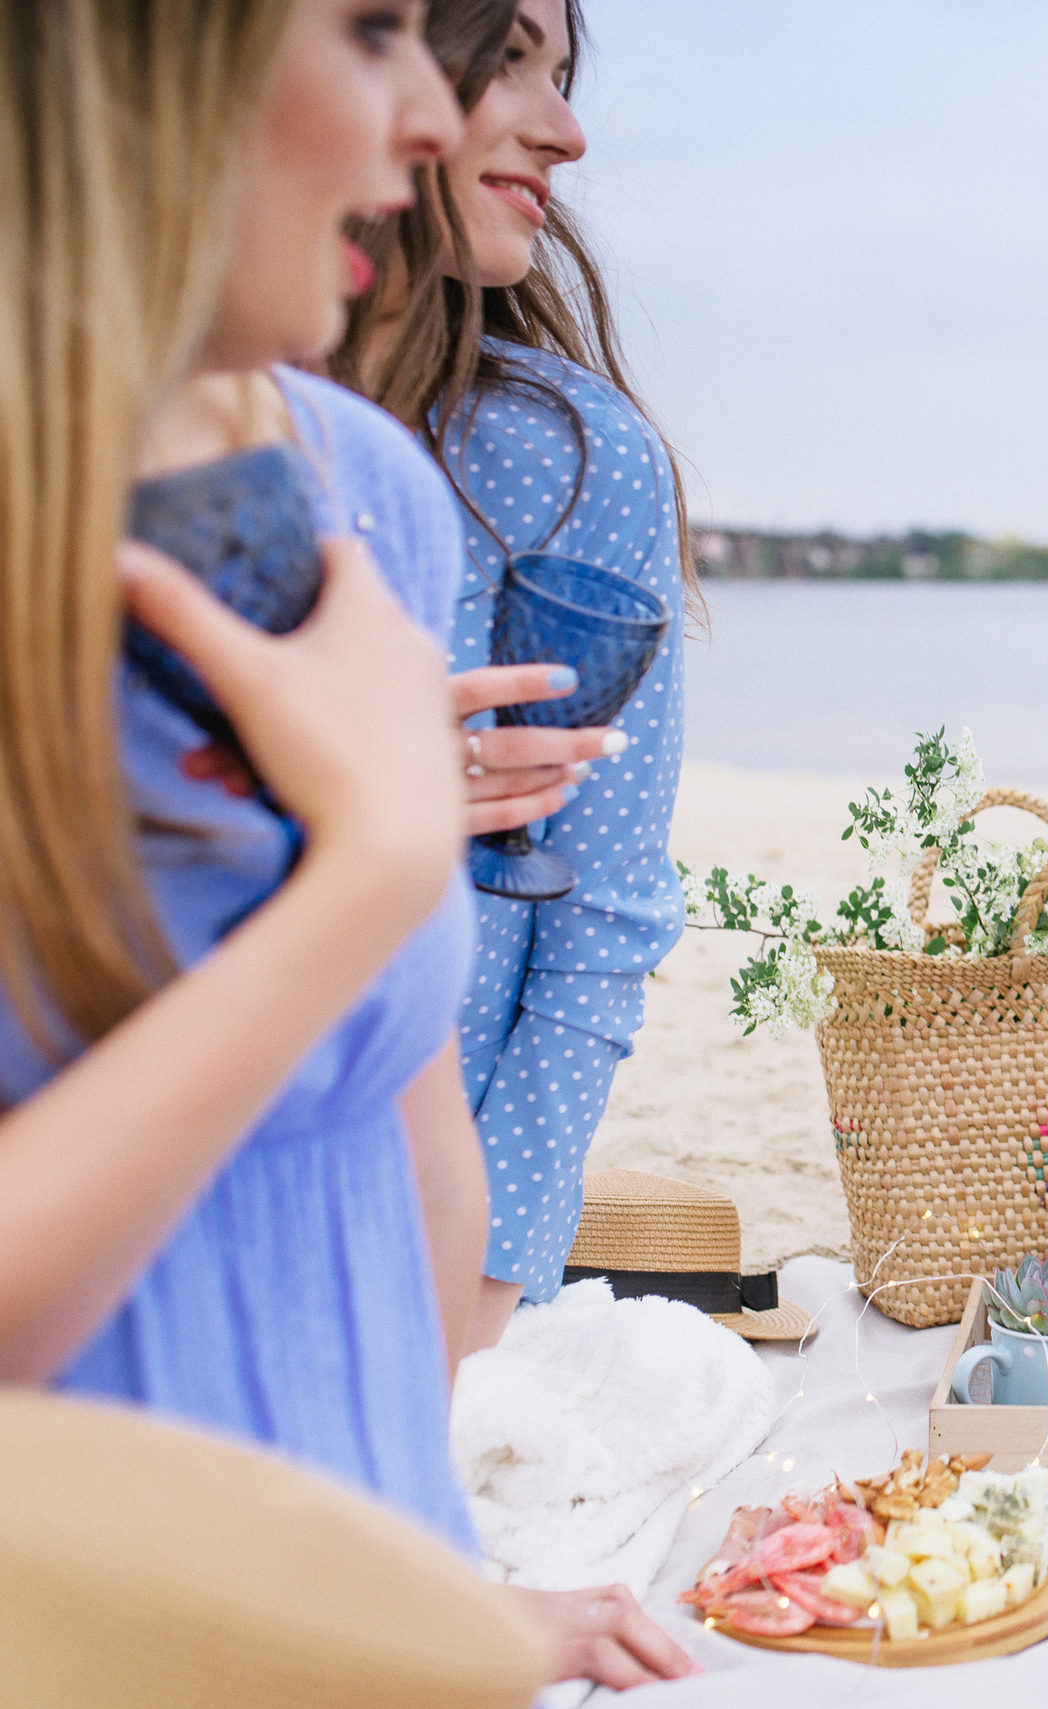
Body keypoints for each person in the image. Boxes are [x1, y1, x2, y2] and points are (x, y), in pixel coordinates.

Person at [0, 0, 693, 1685]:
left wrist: (432, 1580)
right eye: (376, 30)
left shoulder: (364, 493)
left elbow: (402, 1157)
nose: (434, 117)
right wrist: (370, 868)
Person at [335, 0, 690, 1353]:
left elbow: (599, 914)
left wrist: (481, 1293)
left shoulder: (563, 454)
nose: (567, 129)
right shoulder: (182, 435)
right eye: (512, 58)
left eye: (566, 69)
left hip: (430, 1258)